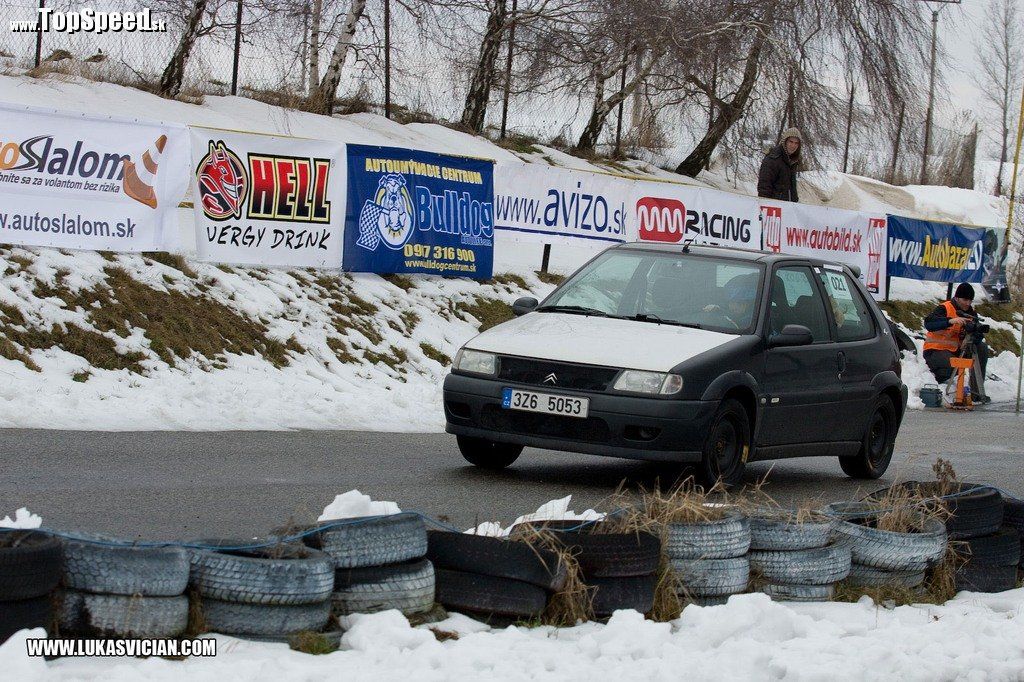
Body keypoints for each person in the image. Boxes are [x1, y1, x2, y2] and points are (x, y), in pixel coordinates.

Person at [923, 282, 990, 403]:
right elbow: (929, 323)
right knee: (954, 365)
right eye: (965, 300)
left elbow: (977, 334)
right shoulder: (945, 308)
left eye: (970, 300)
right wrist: (950, 321)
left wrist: (975, 335)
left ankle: (976, 392)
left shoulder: (971, 313)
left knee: (982, 348)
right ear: (957, 297)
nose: (968, 303)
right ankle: (937, 377)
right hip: (936, 350)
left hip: (958, 350)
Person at [758, 128, 802, 202]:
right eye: (791, 142)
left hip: (789, 206)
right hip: (774, 206)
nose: (793, 145)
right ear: (785, 142)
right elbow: (764, 185)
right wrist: (765, 204)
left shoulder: (792, 160)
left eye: (796, 143)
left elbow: (791, 187)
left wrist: (795, 202)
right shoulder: (773, 159)